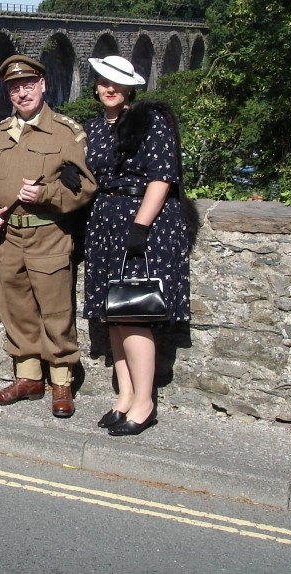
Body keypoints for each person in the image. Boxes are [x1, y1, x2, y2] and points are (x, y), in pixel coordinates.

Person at [0, 54, 97, 418]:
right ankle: (28, 378)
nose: (21, 92)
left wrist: (45, 195)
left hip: (49, 235)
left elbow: (85, 187)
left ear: (43, 85)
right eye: (14, 87)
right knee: (17, 310)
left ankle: (62, 382)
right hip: (8, 238)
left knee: (56, 312)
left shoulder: (65, 132)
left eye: (27, 85)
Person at [83, 55, 191, 436]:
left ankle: (145, 402)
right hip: (105, 223)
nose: (108, 88)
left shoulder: (151, 120)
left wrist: (140, 226)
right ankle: (124, 396)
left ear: (129, 87)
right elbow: (91, 177)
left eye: (116, 82)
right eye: (102, 81)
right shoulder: (95, 127)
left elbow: (162, 177)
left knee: (135, 312)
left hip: (141, 220)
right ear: (95, 85)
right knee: (113, 311)